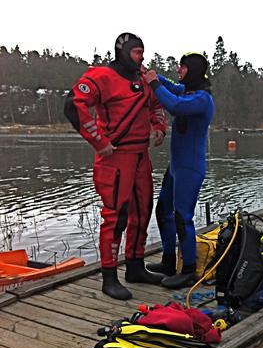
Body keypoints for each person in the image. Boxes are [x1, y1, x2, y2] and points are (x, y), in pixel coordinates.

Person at [64, 32, 167, 300]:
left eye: (143, 52)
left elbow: (156, 104)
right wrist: (98, 141)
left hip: (140, 156)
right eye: (136, 52)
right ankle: (109, 276)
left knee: (144, 211)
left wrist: (159, 127)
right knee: (116, 216)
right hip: (115, 157)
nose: (141, 57)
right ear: (123, 52)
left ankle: (135, 266)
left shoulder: (144, 79)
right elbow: (74, 104)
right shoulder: (101, 77)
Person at [144, 53, 214, 289]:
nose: (179, 71)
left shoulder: (202, 99)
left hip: (190, 167)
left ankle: (188, 270)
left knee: (182, 217)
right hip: (176, 166)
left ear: (192, 70)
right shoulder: (187, 90)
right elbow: (172, 87)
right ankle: (168, 261)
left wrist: (153, 83)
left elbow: (174, 105)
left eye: (182, 68)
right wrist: (150, 74)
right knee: (163, 210)